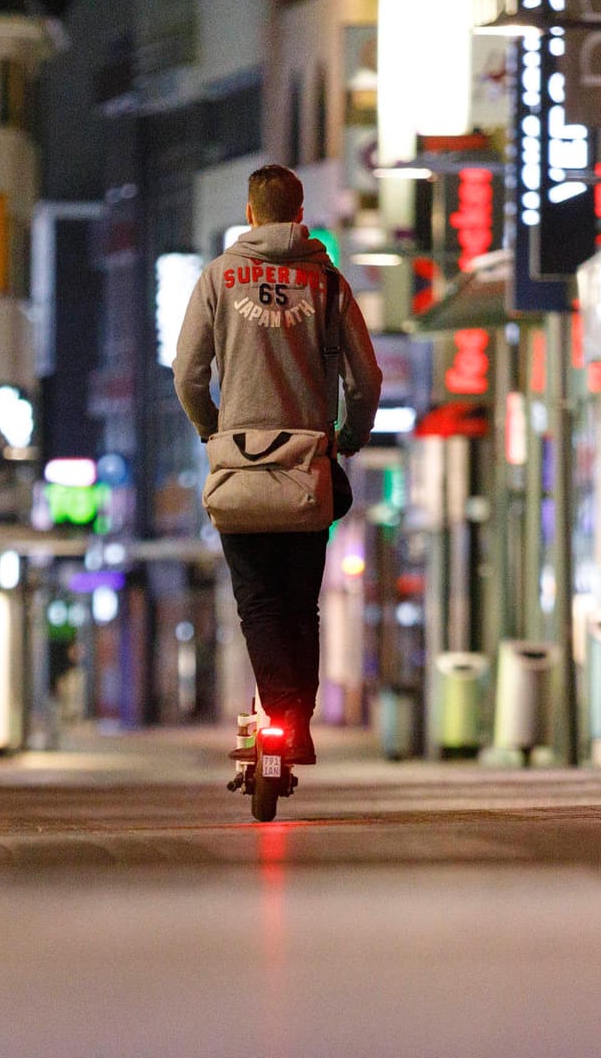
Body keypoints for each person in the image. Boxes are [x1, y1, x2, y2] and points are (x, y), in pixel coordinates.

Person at [172, 164, 382, 765]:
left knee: (258, 602)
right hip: (306, 470)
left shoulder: (218, 278)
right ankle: (294, 721)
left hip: (239, 473)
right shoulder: (329, 284)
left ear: (249, 213)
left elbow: (187, 374)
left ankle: (283, 714)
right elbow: (365, 377)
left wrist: (214, 430)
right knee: (300, 604)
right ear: (299, 215)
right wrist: (349, 436)